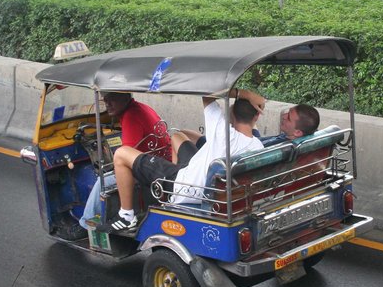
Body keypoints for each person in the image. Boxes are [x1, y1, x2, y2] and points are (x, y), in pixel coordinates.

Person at [101, 89, 265, 233]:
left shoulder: (223, 132)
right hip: (204, 182)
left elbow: (208, 92)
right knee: (177, 136)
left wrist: (244, 94)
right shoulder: (258, 146)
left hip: (186, 187)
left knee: (121, 154)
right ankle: (168, 196)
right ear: (257, 116)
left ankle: (126, 216)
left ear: (231, 112)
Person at [78, 92, 169, 229]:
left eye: (112, 99)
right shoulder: (142, 107)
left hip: (150, 170)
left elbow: (126, 156)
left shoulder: (131, 116)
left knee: (101, 182)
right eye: (105, 100)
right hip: (159, 161)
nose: (108, 104)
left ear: (126, 98)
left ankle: (85, 225)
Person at [187, 103, 320, 148]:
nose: (284, 116)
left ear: (297, 132)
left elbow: (251, 148)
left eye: (289, 118)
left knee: (183, 134)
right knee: (243, 109)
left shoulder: (279, 149)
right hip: (256, 141)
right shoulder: (292, 138)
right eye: (287, 112)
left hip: (244, 146)